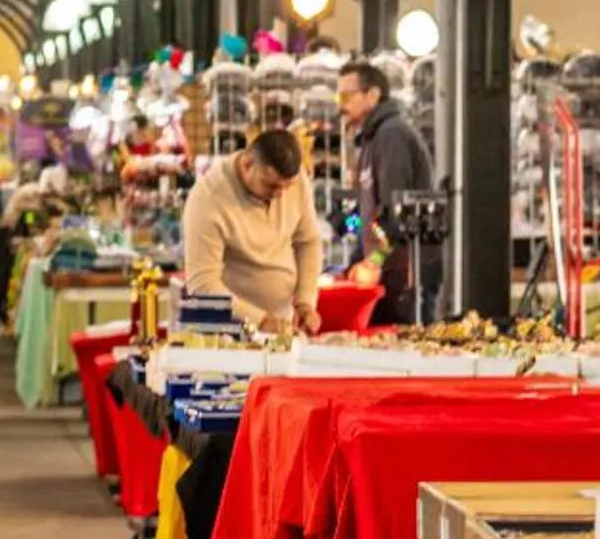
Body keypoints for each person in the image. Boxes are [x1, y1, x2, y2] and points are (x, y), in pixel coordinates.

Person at [181, 129, 326, 336]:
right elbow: (203, 284)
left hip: (280, 323)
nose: (280, 195)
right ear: (247, 164)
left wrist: (305, 301)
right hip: (224, 329)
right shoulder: (207, 199)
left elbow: (308, 242)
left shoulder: (295, 178)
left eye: (288, 186)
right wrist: (260, 319)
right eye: (271, 186)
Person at [339, 60, 438, 319]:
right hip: (385, 275)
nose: (341, 104)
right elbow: (365, 216)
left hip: (403, 278)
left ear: (372, 95)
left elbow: (395, 212)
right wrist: (352, 263)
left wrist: (375, 261)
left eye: (346, 95)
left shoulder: (391, 136)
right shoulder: (372, 139)